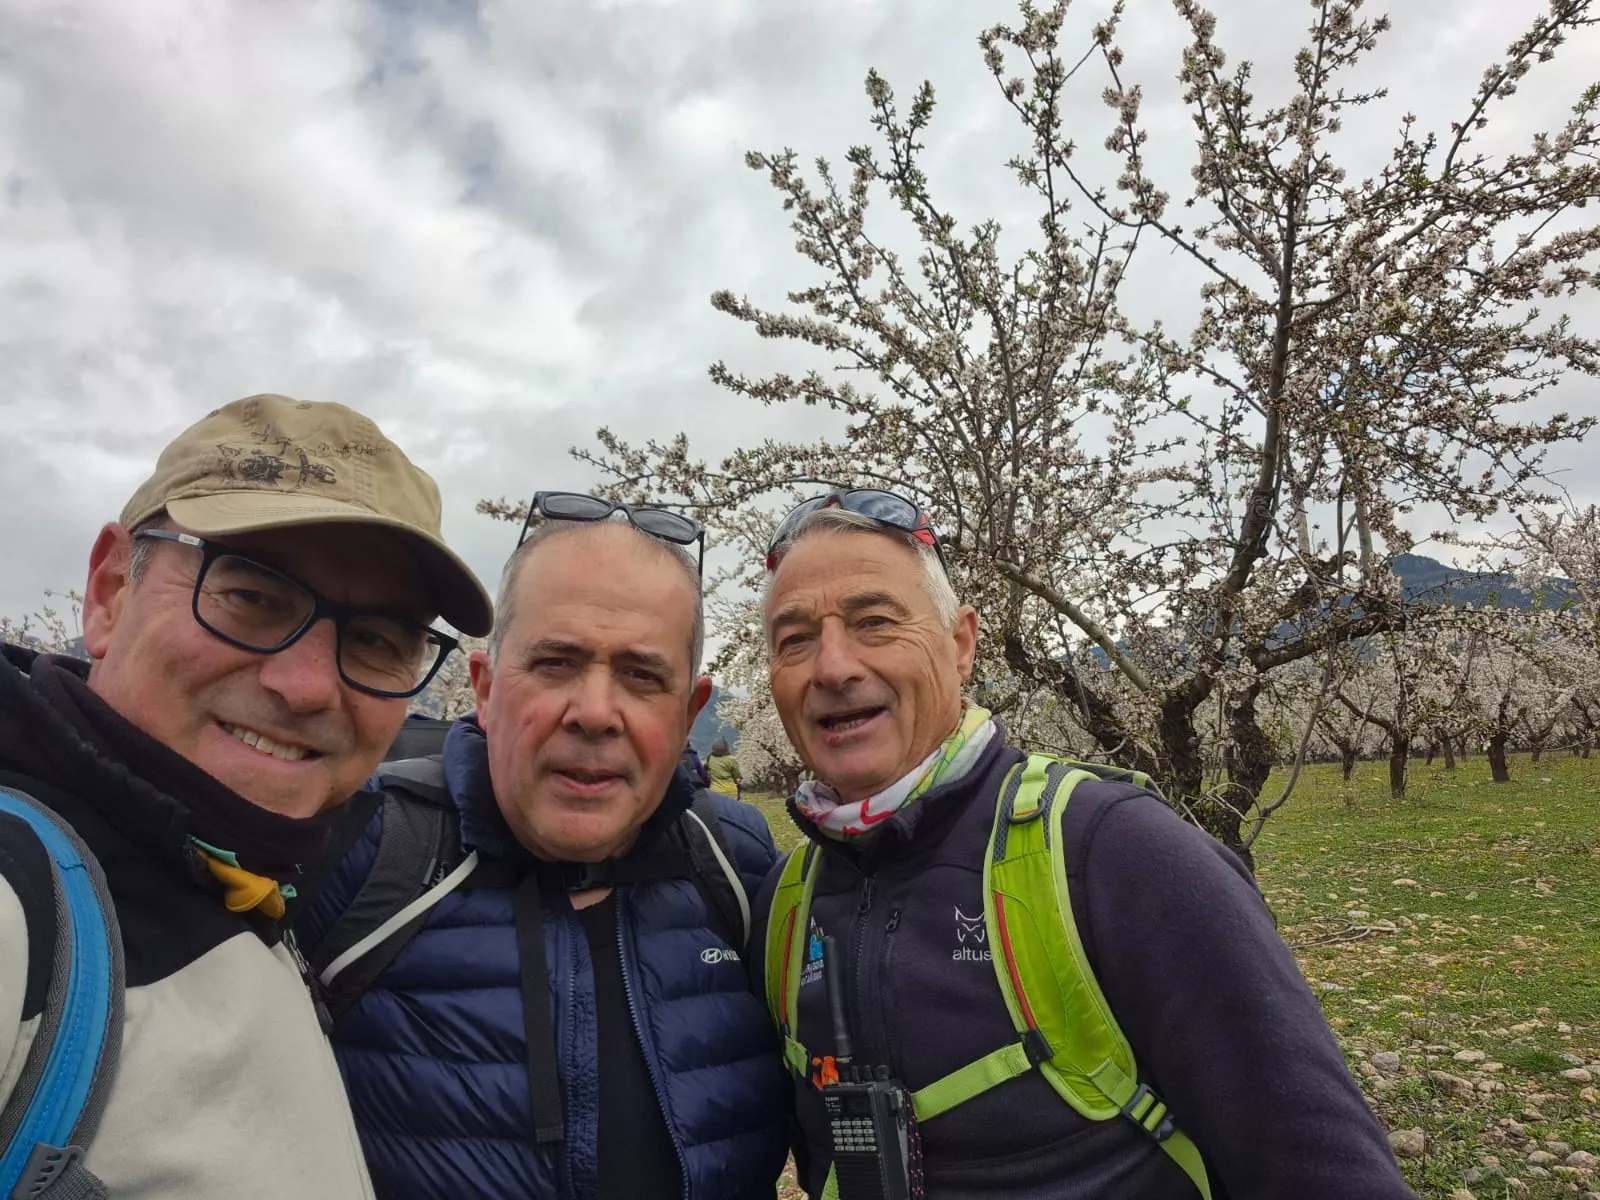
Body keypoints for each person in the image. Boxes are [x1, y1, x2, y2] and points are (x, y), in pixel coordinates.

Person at [751, 489, 1418, 1199]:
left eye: (875, 622)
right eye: (795, 640)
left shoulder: (1120, 853)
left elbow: (1325, 1174)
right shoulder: (785, 908)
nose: (832, 668)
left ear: (962, 643)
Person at [0, 394, 492, 1199]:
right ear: (111, 589)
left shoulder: (248, 881)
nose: (304, 686)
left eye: (376, 639)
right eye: (252, 597)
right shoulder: (21, 910)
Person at [296, 497, 790, 1200]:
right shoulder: (358, 852)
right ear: (485, 689)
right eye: (555, 663)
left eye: (642, 676)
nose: (593, 712)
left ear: (688, 713)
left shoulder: (735, 867)